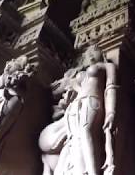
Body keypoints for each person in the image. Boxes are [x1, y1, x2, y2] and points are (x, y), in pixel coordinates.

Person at [40, 43, 118, 175]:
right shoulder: (80, 73)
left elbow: (111, 89)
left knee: (85, 131)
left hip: (92, 101)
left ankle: (94, 172)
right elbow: (60, 90)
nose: (91, 54)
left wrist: (111, 112)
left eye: (95, 51)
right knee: (74, 138)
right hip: (75, 106)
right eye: (88, 53)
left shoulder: (107, 66)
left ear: (102, 53)